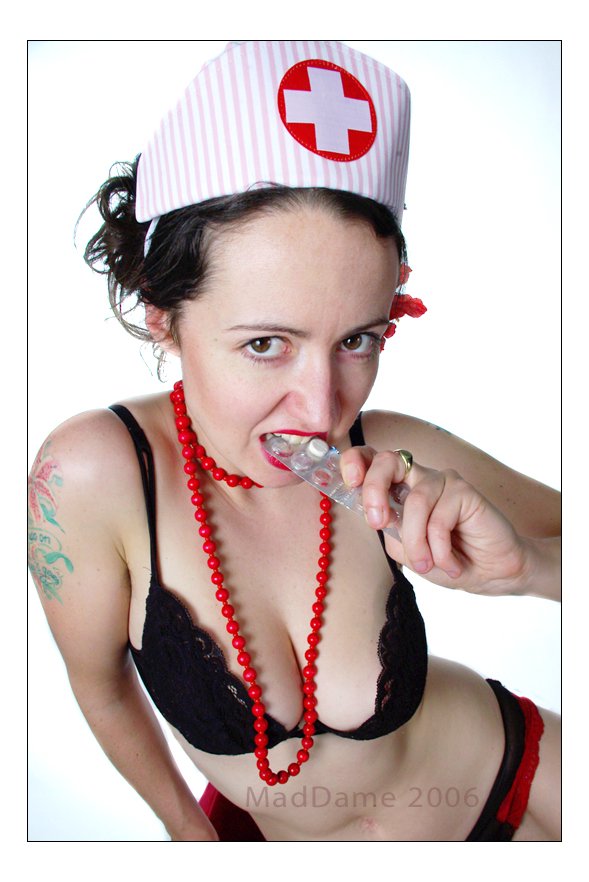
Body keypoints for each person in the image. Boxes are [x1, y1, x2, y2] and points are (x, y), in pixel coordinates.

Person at [28, 40, 561, 841]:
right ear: (163, 317)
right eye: (265, 344)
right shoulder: (91, 476)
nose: (320, 409)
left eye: (358, 340)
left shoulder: (396, 454)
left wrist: (529, 571)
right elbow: (99, 686)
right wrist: (189, 837)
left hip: (529, 785)